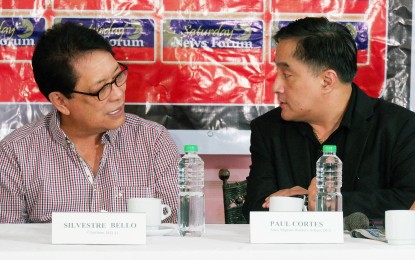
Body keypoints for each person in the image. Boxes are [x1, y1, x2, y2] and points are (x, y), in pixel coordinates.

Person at [0, 22, 180, 223]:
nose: (118, 94)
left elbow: (176, 233)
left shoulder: (153, 142)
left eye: (118, 76)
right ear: (60, 101)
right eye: (102, 89)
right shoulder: (15, 154)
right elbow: (8, 242)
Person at [242, 17, 415, 222]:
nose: (276, 87)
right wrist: (306, 202)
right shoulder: (268, 129)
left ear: (327, 80)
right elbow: (256, 205)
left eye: (287, 74)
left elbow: (408, 200)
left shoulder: (401, 127)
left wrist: (327, 204)